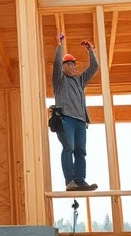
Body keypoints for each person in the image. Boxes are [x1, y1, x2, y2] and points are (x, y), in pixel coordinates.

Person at [51, 33, 99, 191]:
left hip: (80, 120)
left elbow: (94, 68)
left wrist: (90, 50)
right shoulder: (60, 81)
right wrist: (60, 45)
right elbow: (57, 64)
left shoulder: (80, 81)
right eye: (70, 64)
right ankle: (69, 181)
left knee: (80, 151)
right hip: (66, 120)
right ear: (64, 66)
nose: (73, 67)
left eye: (74, 64)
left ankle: (80, 181)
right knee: (68, 148)